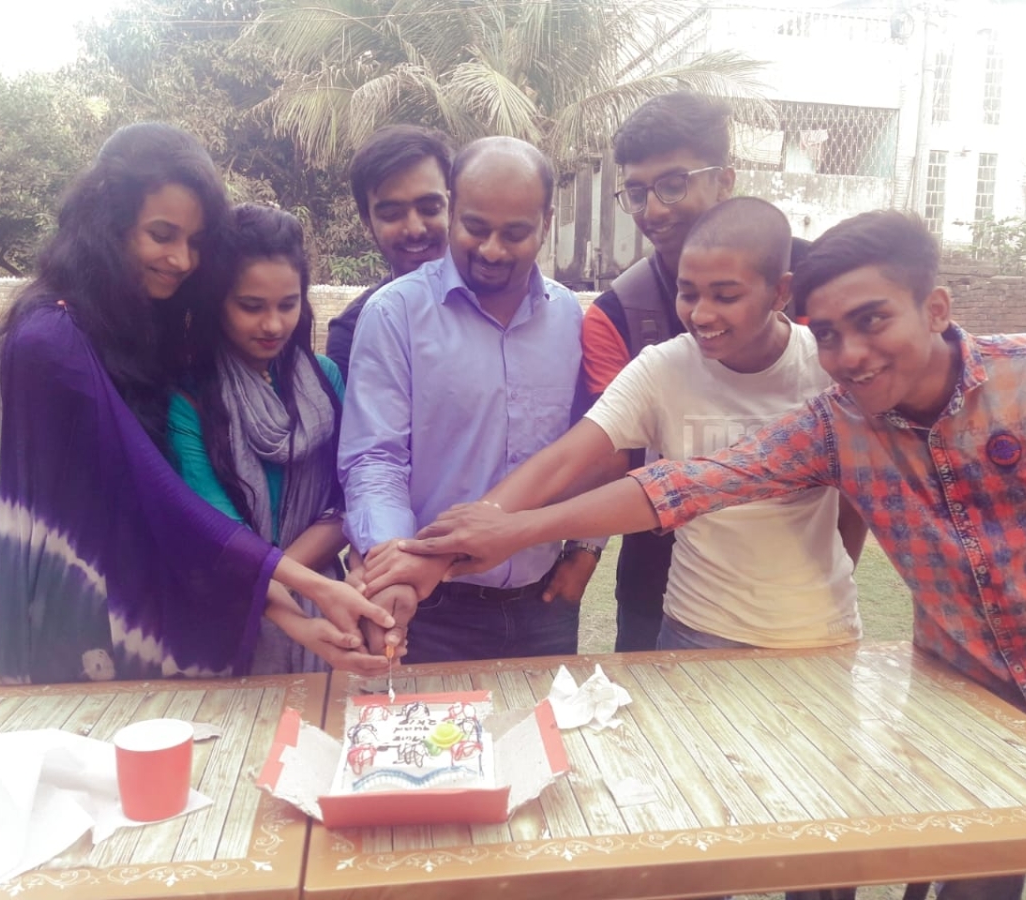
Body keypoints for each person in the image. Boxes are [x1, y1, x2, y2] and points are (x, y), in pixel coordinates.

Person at [402, 209, 1026, 900]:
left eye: (873, 321)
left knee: (838, 852)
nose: (851, 354)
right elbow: (690, 482)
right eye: (831, 334)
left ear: (936, 308)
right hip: (965, 702)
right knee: (965, 875)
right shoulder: (839, 422)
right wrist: (508, 529)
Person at [0, 123, 392, 685]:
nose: (181, 259)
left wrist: (300, 610)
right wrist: (307, 589)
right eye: (162, 234)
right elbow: (159, 495)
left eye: (195, 242)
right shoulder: (52, 339)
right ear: (108, 223)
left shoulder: (130, 329)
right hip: (64, 609)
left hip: (132, 599)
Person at [366, 197, 864, 658]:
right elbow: (567, 458)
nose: (701, 314)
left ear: (780, 291)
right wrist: (461, 540)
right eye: (688, 293)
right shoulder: (665, 368)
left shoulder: (826, 367)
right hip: (696, 625)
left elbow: (859, 498)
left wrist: (512, 529)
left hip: (817, 630)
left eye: (726, 295)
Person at [338, 135, 598, 664]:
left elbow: (590, 446)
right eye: (475, 227)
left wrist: (587, 548)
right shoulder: (395, 314)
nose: (493, 250)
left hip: (544, 604)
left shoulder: (568, 316)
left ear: (547, 223)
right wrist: (392, 563)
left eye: (515, 233)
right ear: (453, 211)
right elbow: (375, 458)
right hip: (432, 608)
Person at [584, 91, 812, 652]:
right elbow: (608, 458)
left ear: (725, 180)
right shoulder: (616, 312)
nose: (654, 209)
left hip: (796, 594)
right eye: (637, 192)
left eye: (673, 184)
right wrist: (575, 546)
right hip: (658, 583)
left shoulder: (817, 282)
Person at [168, 203, 386, 676]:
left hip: (325, 609)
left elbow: (349, 500)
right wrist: (295, 584)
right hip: (222, 617)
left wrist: (285, 578)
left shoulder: (325, 379)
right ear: (216, 302)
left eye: (287, 305)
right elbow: (219, 531)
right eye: (251, 307)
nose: (272, 325)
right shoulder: (188, 399)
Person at [324, 125, 453, 383]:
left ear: (453, 206)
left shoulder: (501, 303)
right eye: (392, 214)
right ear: (366, 221)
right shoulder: (352, 332)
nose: (415, 229)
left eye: (430, 208)